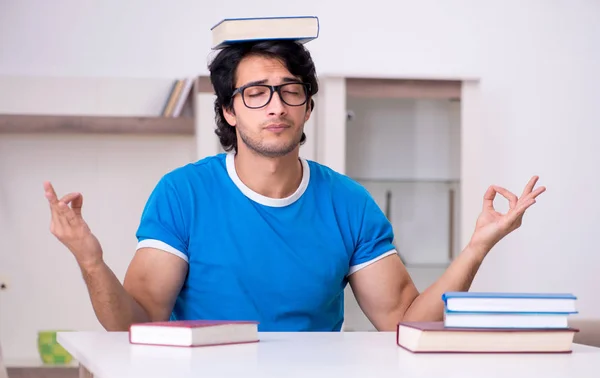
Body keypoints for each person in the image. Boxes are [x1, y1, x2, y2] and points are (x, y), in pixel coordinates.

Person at [43, 40, 545, 333]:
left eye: (290, 92)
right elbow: (137, 322)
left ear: (307, 106)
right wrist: (90, 260)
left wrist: (478, 246)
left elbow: (405, 323)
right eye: (255, 94)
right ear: (229, 110)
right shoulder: (183, 194)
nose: (276, 106)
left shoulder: (348, 203)